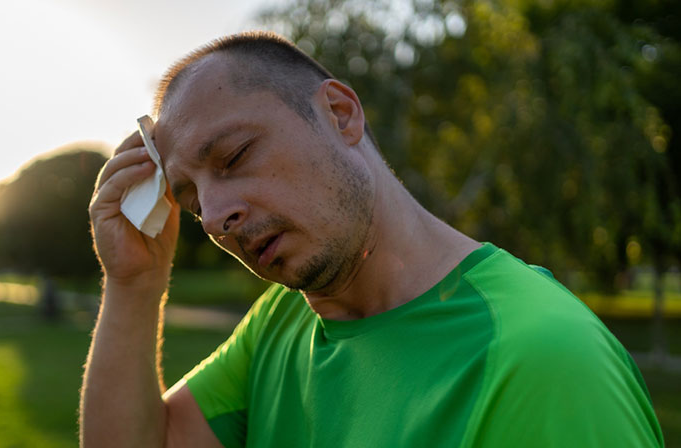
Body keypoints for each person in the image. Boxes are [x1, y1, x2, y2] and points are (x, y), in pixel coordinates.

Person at [80, 31, 664, 447]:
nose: (212, 218)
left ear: (339, 113)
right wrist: (134, 283)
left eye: (233, 156)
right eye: (189, 198)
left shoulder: (542, 364)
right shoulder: (278, 325)